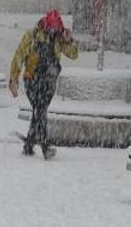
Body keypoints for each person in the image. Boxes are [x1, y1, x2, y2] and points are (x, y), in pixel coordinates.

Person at [9, 9, 79, 160]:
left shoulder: (59, 38)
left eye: (56, 28)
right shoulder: (32, 36)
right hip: (32, 80)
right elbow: (18, 57)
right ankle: (45, 145)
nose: (53, 31)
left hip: (49, 81)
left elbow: (74, 54)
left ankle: (29, 144)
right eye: (51, 27)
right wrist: (13, 80)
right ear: (46, 24)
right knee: (40, 110)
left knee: (39, 111)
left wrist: (69, 40)